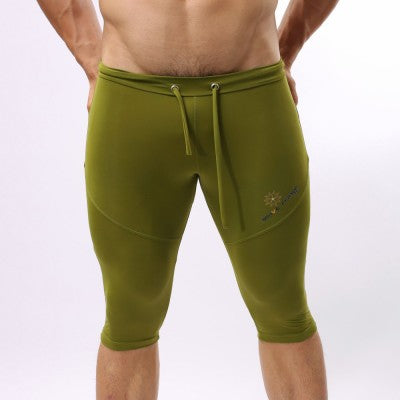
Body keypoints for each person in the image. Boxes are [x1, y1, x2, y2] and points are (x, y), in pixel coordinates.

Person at [37, 1, 339, 399]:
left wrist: (286, 48)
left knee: (282, 308)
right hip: (130, 102)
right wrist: (92, 59)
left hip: (253, 101)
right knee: (129, 315)